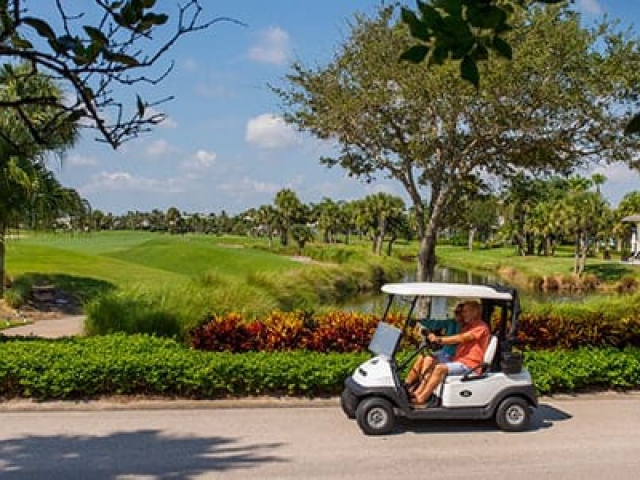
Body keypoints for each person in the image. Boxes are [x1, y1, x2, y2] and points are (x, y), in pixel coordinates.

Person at [410, 300, 490, 407]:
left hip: (470, 365)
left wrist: (439, 340)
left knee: (440, 368)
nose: (463, 314)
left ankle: (421, 399)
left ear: (475, 312)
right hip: (458, 360)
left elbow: (461, 338)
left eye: (466, 311)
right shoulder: (467, 326)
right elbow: (448, 327)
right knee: (429, 359)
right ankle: (417, 391)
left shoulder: (481, 327)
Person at [404, 303, 464, 394]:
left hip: (453, 357)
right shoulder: (451, 322)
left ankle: (419, 391)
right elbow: (435, 324)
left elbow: (456, 340)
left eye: (459, 312)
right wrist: (418, 321)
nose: (456, 314)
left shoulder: (466, 327)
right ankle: (406, 385)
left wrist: (437, 339)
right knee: (421, 357)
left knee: (428, 359)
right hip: (443, 353)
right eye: (455, 312)